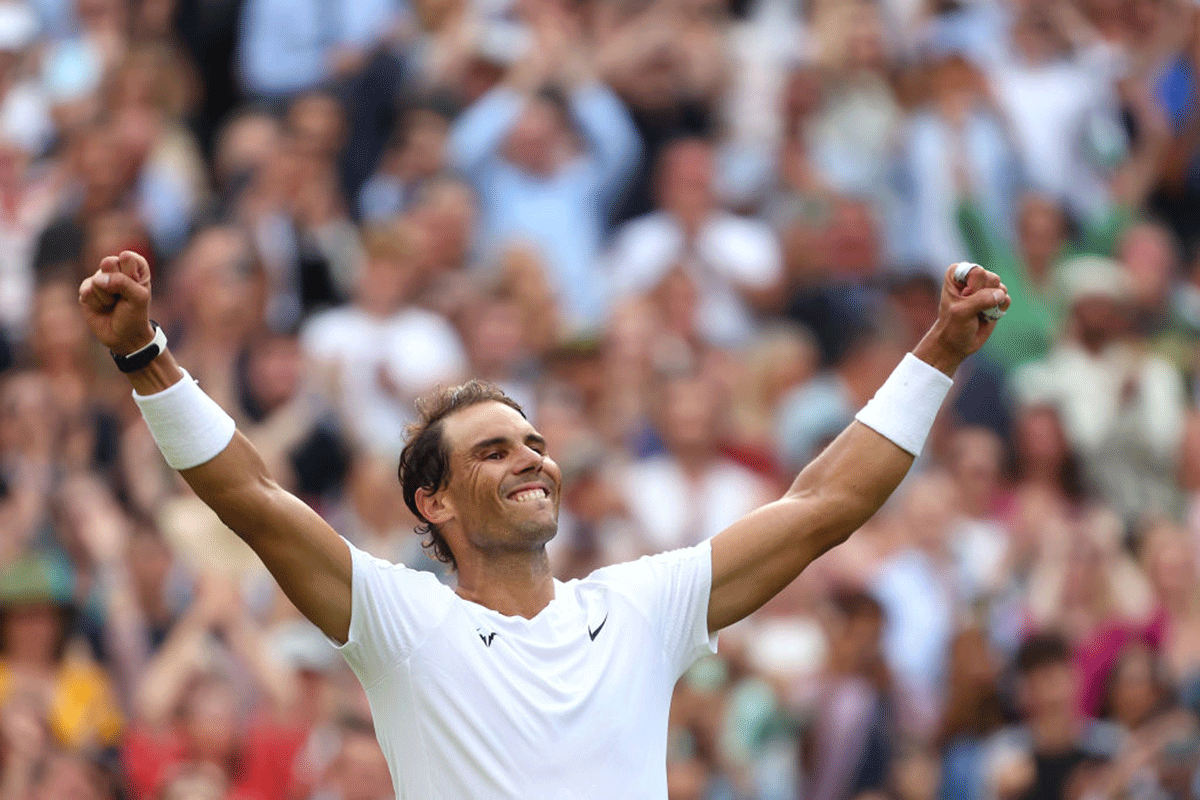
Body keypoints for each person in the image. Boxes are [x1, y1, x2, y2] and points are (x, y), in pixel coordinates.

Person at [77, 250, 1010, 798]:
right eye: (491, 450)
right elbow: (253, 498)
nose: (530, 456)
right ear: (431, 504)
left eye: (533, 440)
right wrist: (144, 353)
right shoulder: (402, 623)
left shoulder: (643, 605)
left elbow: (823, 506)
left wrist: (937, 352)